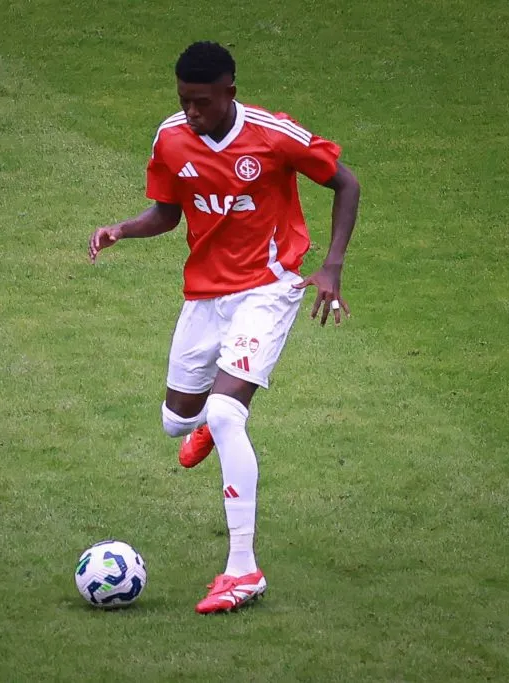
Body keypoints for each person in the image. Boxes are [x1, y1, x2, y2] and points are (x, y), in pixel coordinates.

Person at [88, 41, 360, 614]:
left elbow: (346, 184)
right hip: (205, 296)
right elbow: (168, 211)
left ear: (230, 92)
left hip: (269, 285)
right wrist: (122, 229)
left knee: (226, 412)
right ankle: (210, 418)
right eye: (185, 101)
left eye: (203, 102)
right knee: (175, 423)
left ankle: (243, 570)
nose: (193, 112)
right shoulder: (170, 137)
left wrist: (331, 265)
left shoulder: (272, 134)